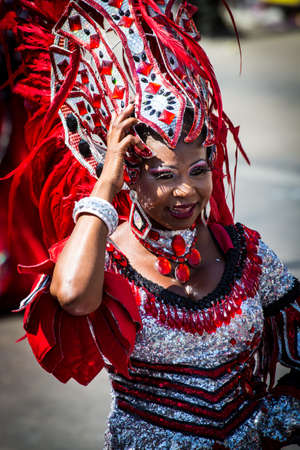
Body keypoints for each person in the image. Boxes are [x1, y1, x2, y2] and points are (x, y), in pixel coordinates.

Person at [1, 0, 299, 449]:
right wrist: (105, 184)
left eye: (198, 171)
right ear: (132, 176)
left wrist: (274, 420)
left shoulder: (247, 254)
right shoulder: (110, 259)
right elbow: (74, 298)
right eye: (165, 176)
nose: (185, 192)